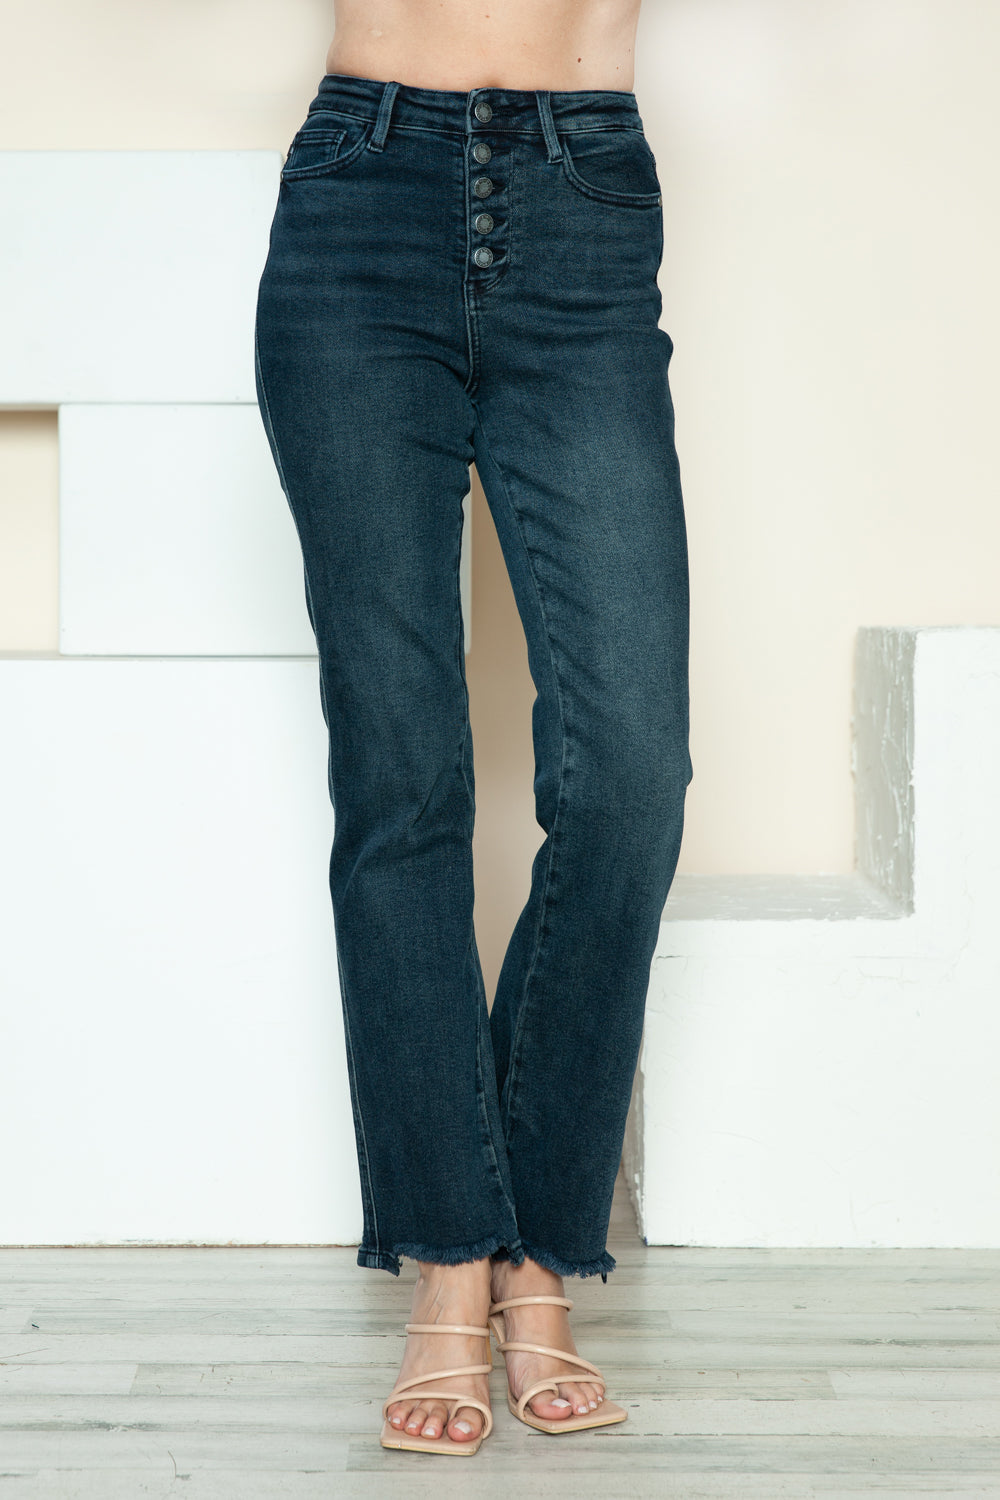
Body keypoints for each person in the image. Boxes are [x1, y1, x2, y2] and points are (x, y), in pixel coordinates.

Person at [254, 0, 692, 1456]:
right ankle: (458, 1256)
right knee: (404, 776)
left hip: (586, 196)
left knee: (629, 770)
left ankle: (543, 1243)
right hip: (360, 198)